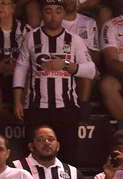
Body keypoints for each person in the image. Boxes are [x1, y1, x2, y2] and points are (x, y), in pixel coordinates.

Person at [13, 0, 96, 164]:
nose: (53, 16)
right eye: (48, 11)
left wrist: (65, 65)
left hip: (66, 107)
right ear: (42, 13)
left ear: (63, 14)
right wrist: (17, 101)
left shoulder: (75, 40)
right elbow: (21, 69)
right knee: (33, 157)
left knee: (68, 157)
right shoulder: (31, 37)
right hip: (37, 107)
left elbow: (91, 70)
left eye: (58, 11)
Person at [62, 0, 99, 103]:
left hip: (82, 63)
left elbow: (95, 53)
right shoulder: (52, 21)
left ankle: (82, 114)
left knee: (87, 73)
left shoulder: (89, 22)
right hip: (61, 64)